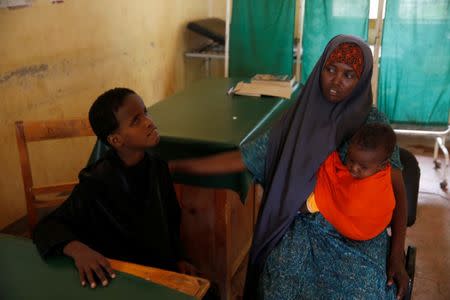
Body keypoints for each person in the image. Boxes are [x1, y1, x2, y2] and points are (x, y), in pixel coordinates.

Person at [170, 35, 409, 299]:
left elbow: (398, 193)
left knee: (363, 289)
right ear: (319, 68)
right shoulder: (299, 117)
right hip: (304, 226)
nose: (336, 81)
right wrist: (178, 166)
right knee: (280, 281)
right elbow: (247, 157)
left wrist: (397, 255)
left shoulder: (374, 124)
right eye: (330, 70)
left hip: (357, 235)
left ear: (362, 80)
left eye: (349, 75)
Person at [33, 88, 195, 289]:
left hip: (158, 273)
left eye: (145, 112)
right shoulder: (96, 182)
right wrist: (79, 250)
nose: (149, 121)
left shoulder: (158, 167)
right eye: (136, 120)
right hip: (119, 278)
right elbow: (47, 226)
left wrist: (179, 257)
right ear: (116, 140)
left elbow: (171, 218)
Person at [303, 123, 397, 242]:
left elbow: (343, 199)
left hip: (359, 230)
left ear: (382, 166)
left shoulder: (362, 194)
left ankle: (311, 205)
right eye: (351, 159)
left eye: (362, 167)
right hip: (373, 222)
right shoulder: (378, 167)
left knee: (319, 195)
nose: (353, 168)